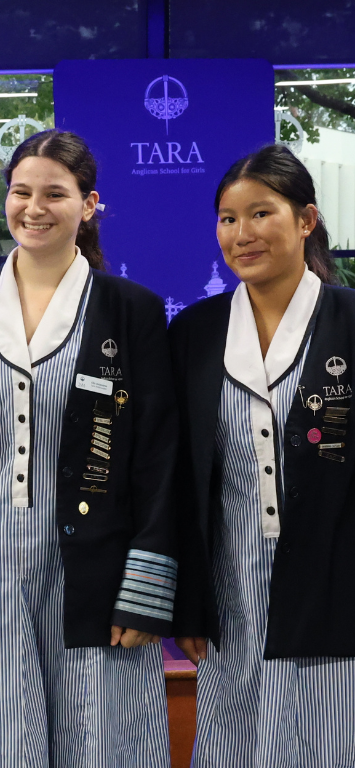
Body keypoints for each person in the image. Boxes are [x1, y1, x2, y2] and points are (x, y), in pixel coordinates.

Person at [0, 129, 177, 766]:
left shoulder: (130, 309)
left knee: (98, 735)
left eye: (55, 193)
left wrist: (146, 591)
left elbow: (158, 459)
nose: (34, 208)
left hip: (96, 564)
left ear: (89, 204)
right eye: (21, 192)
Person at [171, 144, 355, 767]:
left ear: (306, 221)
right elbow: (182, 479)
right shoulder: (193, 334)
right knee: (236, 742)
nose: (241, 234)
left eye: (260, 213)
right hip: (231, 583)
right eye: (227, 219)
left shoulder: (349, 320)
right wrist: (189, 600)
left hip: (338, 576)